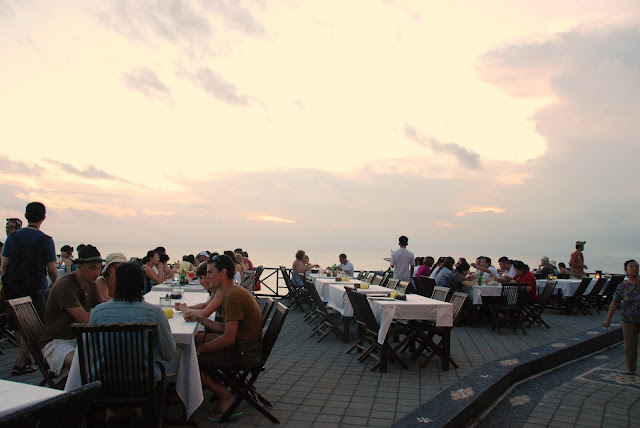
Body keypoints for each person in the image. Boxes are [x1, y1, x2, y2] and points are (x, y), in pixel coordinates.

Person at [184, 255, 262, 422]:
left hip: (244, 353)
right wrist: (200, 319)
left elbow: (228, 338)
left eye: (210, 272)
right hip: (245, 346)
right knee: (196, 339)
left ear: (224, 272)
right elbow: (226, 329)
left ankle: (225, 396)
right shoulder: (231, 292)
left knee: (190, 358)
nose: (207, 277)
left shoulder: (233, 297)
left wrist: (200, 350)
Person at [1, 202, 57, 376]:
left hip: (14, 287)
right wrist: (54, 285)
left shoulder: (13, 238)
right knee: (34, 326)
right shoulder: (46, 240)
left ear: (25, 216)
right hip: (36, 288)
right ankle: (20, 362)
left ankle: (23, 359)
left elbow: (4, 265)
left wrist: (6, 284)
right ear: (44, 217)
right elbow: (52, 269)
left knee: (18, 325)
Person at [91, 261, 176, 374]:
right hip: (144, 383)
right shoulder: (154, 313)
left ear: (117, 282)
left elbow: (92, 351)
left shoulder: (99, 312)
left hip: (105, 382)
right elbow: (168, 354)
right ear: (143, 283)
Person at [39, 245, 103, 378]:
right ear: (79, 266)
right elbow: (85, 319)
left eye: (99, 268)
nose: (97, 273)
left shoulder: (91, 284)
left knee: (110, 355)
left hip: (79, 338)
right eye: (92, 268)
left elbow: (102, 308)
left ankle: (91, 391)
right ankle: (85, 393)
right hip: (56, 342)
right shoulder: (65, 286)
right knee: (84, 364)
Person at [603, 260, 640, 375]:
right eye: (631, 267)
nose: (635, 269)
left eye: (637, 267)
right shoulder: (623, 286)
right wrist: (608, 319)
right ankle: (630, 368)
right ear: (626, 270)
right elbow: (615, 302)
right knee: (630, 345)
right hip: (629, 319)